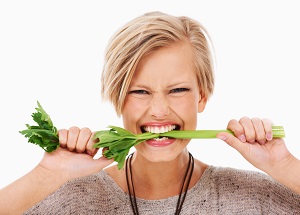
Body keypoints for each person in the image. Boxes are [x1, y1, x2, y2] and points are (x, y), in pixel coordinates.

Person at [1, 11, 300, 215]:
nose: (158, 111)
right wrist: (47, 176)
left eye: (178, 90)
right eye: (139, 92)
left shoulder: (255, 198)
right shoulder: (68, 198)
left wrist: (284, 165)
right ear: (117, 98)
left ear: (203, 95)